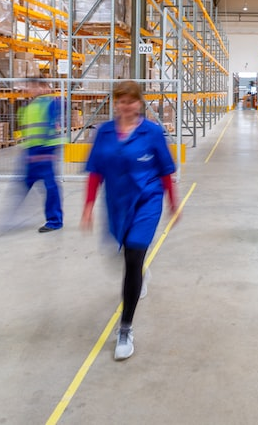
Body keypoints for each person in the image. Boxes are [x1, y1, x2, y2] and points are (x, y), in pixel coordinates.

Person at [81, 80, 177, 361]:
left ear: (140, 103)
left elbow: (165, 170)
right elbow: (96, 171)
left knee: (133, 256)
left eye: (131, 101)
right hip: (117, 204)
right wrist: (88, 205)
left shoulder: (153, 132)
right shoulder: (105, 133)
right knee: (120, 255)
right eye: (121, 101)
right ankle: (141, 272)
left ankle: (125, 328)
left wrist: (173, 201)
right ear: (116, 104)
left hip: (147, 201)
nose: (126, 106)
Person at [14, 78, 64, 232]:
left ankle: (54, 221)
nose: (31, 89)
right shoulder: (28, 106)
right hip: (31, 151)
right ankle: (9, 217)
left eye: (34, 86)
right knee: (24, 184)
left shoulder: (50, 103)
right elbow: (26, 130)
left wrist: (48, 151)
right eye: (30, 87)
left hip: (45, 151)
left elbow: (53, 125)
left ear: (43, 87)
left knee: (50, 186)